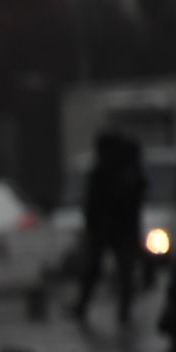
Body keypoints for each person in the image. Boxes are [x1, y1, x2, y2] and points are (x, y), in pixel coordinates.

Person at [73, 131, 148, 325]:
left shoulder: (111, 170)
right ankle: (118, 310)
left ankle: (90, 306)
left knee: (112, 270)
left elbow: (95, 201)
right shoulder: (122, 169)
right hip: (115, 228)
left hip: (112, 228)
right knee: (119, 272)